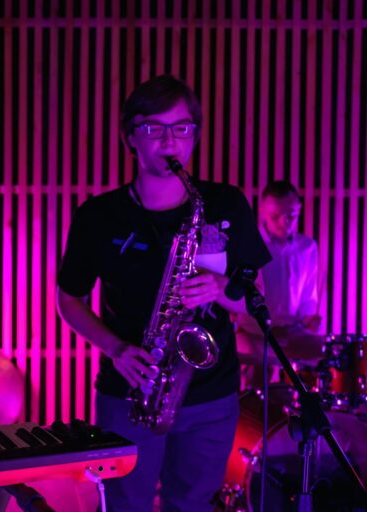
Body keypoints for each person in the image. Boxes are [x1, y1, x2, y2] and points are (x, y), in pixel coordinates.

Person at [56, 75, 271, 511]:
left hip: (211, 395)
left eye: (182, 128)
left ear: (196, 133)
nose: (169, 141)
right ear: (129, 137)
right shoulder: (99, 216)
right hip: (130, 391)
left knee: (192, 505)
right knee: (125, 506)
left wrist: (220, 288)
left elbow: (255, 301)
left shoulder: (225, 204)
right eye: (153, 128)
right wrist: (115, 349)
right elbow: (69, 299)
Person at [235, 180, 322, 375]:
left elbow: (308, 294)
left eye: (291, 216)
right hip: (253, 332)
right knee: (258, 366)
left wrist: (309, 318)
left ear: (298, 211)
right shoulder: (250, 243)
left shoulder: (307, 247)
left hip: (291, 330)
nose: (285, 222)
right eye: (276, 216)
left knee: (323, 354)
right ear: (263, 213)